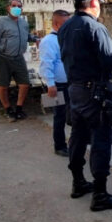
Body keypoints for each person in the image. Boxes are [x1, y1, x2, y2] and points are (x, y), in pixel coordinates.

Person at [58, 0, 112, 212]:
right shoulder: (95, 27)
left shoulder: (66, 26)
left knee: (78, 137)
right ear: (94, 3)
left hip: (75, 90)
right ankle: (100, 194)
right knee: (101, 140)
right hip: (96, 92)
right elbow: (110, 61)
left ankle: (78, 182)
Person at [0, 0, 39, 122]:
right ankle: (8, 109)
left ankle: (19, 108)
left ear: (22, 9)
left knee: (25, 83)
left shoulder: (23, 23)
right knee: (2, 85)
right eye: (14, 5)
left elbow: (26, 36)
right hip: (3, 57)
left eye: (19, 6)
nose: (16, 8)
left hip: (18, 57)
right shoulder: (1, 23)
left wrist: (35, 38)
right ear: (8, 8)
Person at [40, 10, 71, 157]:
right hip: (58, 85)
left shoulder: (68, 38)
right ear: (56, 23)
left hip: (71, 83)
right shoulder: (49, 41)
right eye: (65, 23)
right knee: (59, 116)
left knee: (74, 114)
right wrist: (50, 84)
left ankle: (74, 142)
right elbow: (46, 64)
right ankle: (59, 146)